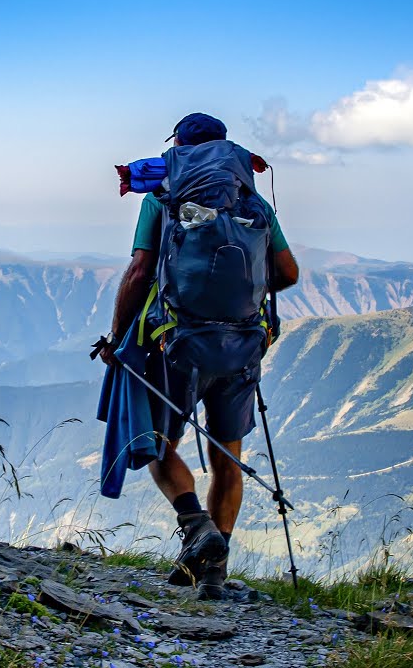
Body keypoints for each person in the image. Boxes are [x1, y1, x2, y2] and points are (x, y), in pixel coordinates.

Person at [98, 113, 300, 599]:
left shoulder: (163, 198)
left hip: (178, 344)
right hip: (243, 347)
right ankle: (212, 572)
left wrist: (116, 337)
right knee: (228, 457)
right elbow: (289, 274)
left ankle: (196, 526)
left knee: (158, 443)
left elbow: (139, 272)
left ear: (180, 150)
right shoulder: (254, 206)